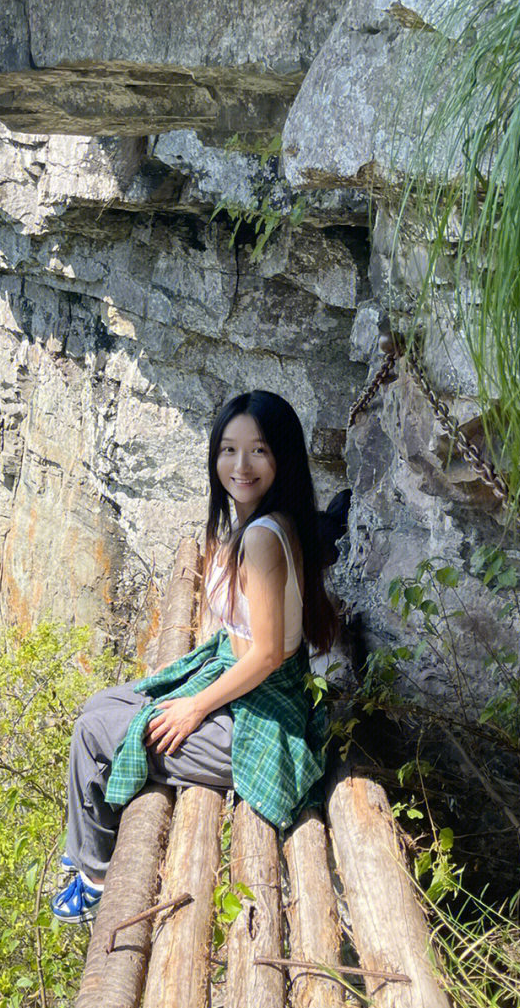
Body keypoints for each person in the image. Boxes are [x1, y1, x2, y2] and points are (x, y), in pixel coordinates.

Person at [52, 390, 339, 921]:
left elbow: (269, 653)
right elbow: (247, 633)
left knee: (94, 733)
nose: (240, 465)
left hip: (262, 726)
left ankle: (94, 876)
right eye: (228, 450)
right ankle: (88, 856)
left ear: (283, 458)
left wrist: (194, 705)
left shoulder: (262, 538)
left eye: (259, 451)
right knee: (101, 707)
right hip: (251, 695)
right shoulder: (267, 523)